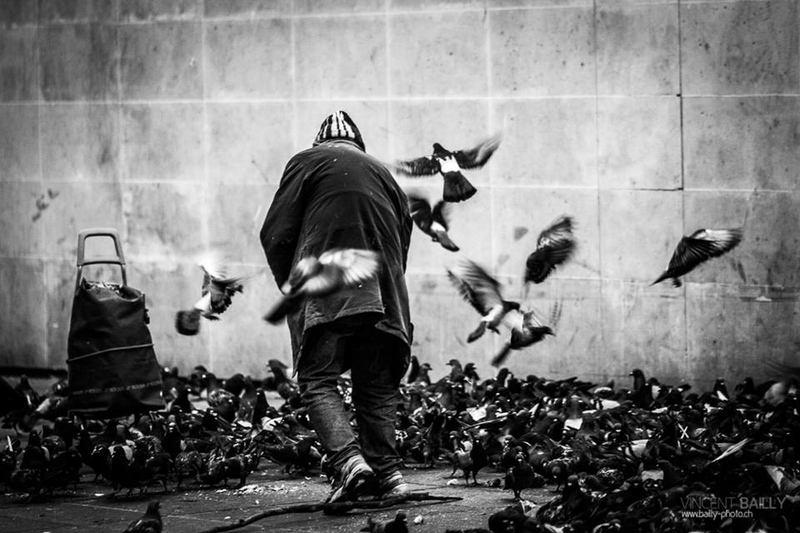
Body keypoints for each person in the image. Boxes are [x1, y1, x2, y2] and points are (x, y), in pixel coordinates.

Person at [260, 110, 414, 504]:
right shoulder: (384, 175)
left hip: (330, 288)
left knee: (318, 379)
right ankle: (390, 476)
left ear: (320, 143)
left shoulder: (306, 162)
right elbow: (403, 243)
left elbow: (276, 234)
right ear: (359, 145)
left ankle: (349, 463)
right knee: (376, 387)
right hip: (385, 297)